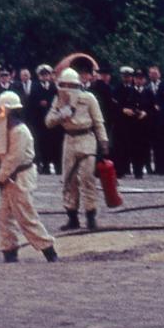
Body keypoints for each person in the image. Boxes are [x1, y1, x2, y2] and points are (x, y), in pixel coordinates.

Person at [0, 91, 57, 263]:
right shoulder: (3, 129)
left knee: (25, 216)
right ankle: (10, 252)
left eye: (3, 110)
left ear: (11, 111)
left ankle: (49, 251)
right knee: (4, 218)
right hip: (9, 179)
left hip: (20, 177)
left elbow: (13, 160)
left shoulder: (19, 131)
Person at [47, 65, 110, 232]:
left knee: (87, 178)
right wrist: (62, 114)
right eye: (64, 85)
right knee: (69, 179)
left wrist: (103, 142)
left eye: (71, 85)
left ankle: (90, 215)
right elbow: (48, 122)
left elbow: (98, 122)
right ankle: (72, 216)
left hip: (86, 138)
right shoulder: (58, 100)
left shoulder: (88, 98)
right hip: (69, 139)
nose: (68, 89)